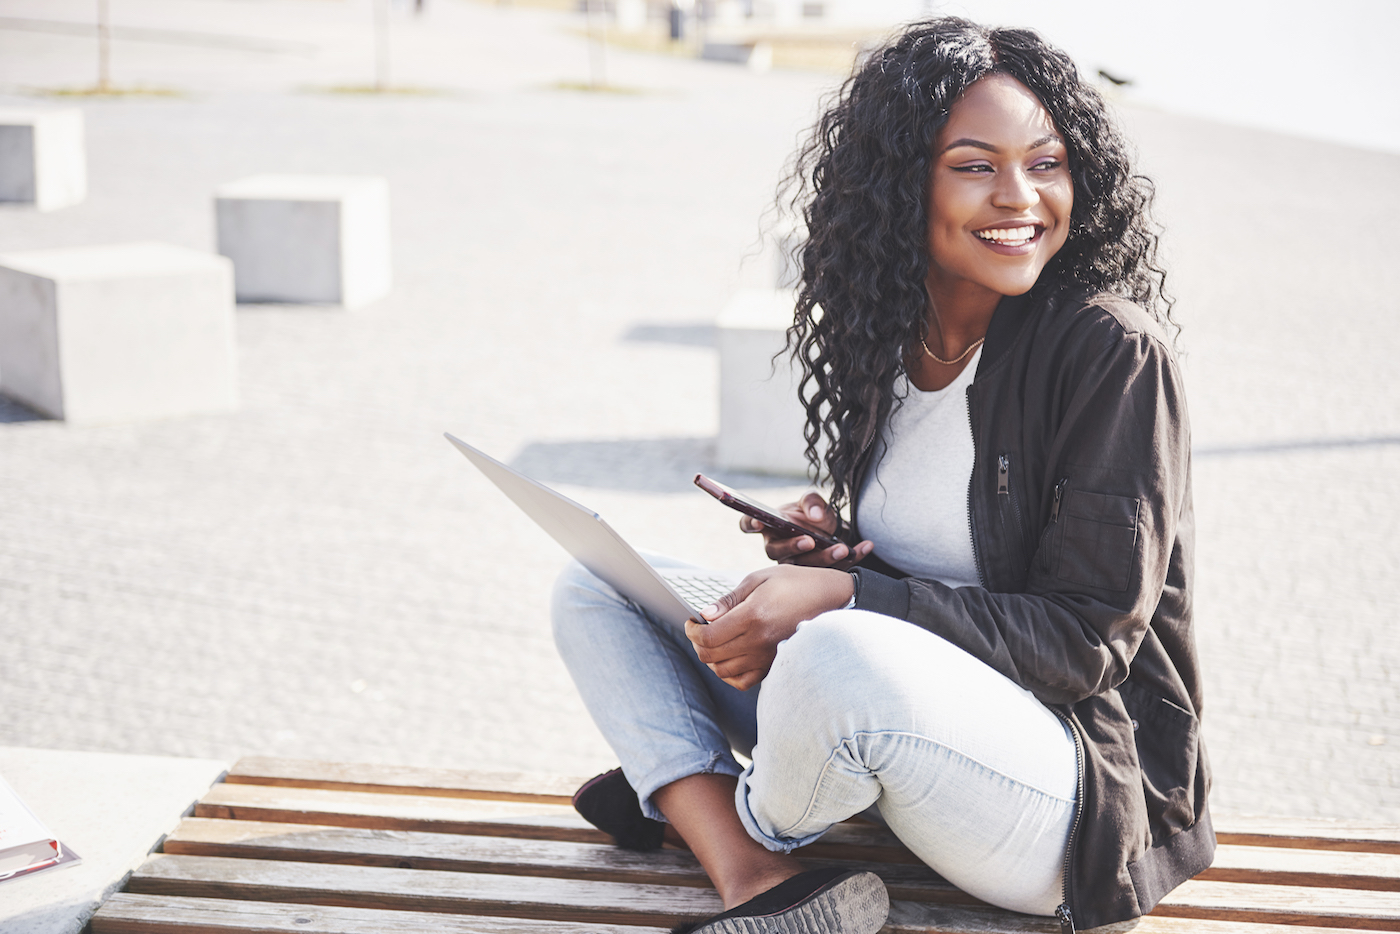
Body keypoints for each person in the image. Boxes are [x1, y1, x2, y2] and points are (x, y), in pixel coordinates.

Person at [552, 17, 1212, 934]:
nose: (1020, 196)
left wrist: (845, 597)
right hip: (909, 731)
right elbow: (941, 582)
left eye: (1046, 162)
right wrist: (840, 556)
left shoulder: (1110, 353)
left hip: (1066, 794)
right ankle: (751, 877)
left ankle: (690, 799)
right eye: (976, 165)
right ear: (903, 184)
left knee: (833, 651)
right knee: (600, 581)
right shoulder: (890, 337)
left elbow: (1083, 645)